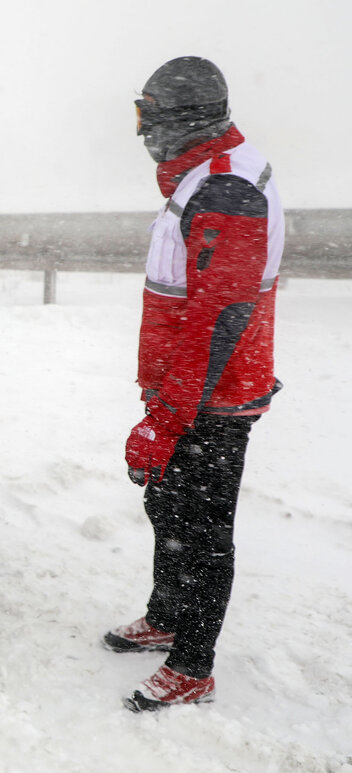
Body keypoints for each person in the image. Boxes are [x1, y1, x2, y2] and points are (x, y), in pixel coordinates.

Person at [106, 58, 284, 712]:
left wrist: (166, 418)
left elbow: (219, 315)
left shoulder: (226, 186)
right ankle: (168, 614)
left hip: (212, 398)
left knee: (204, 530)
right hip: (189, 390)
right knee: (169, 510)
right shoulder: (205, 175)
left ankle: (192, 664)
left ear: (181, 120)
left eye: (146, 116)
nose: (142, 130)